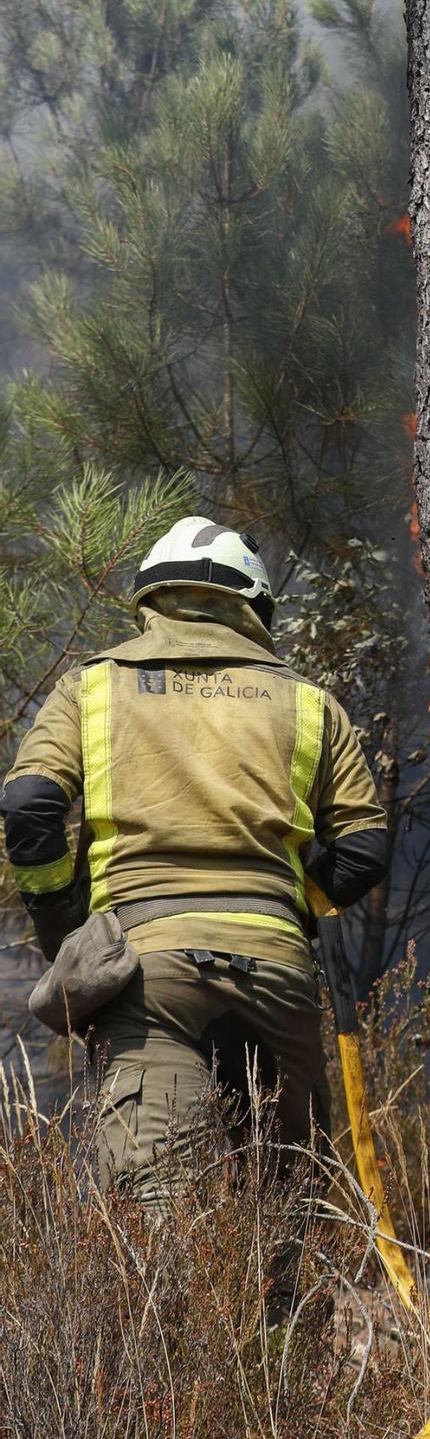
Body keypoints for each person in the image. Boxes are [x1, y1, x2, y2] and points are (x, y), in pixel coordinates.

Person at [1, 517, 389, 1236]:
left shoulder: (91, 688)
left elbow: (29, 808)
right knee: (283, 1213)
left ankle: (185, 1351)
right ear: (256, 607)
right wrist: (284, 905)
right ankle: (281, 1342)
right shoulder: (309, 703)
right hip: (277, 971)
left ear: (150, 600)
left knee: (164, 1229)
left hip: (148, 972)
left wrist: (72, 933)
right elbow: (363, 848)